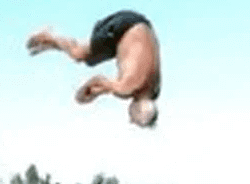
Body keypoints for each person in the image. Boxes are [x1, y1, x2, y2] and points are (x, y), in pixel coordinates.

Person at [26, 10, 161, 127]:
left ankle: (51, 42)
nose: (130, 120)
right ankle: (48, 37)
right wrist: (81, 97)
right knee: (79, 54)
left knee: (87, 56)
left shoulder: (155, 89)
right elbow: (97, 80)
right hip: (123, 27)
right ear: (136, 110)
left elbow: (103, 86)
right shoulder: (125, 89)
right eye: (133, 119)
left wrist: (95, 92)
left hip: (140, 25)